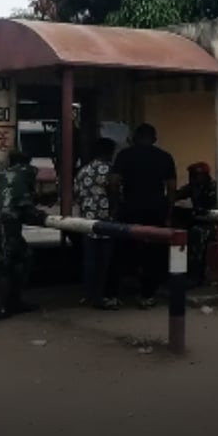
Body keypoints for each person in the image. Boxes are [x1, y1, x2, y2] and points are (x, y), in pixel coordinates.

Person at [0, 149, 50, 322]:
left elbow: (11, 198)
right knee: (1, 262)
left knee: (22, 256)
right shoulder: (25, 172)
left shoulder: (1, 175)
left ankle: (13, 301)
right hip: (6, 224)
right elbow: (25, 204)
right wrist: (39, 213)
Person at [110, 123, 177, 309]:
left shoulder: (124, 155)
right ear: (154, 138)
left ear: (134, 137)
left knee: (121, 251)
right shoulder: (165, 157)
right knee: (153, 254)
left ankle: (112, 295)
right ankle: (147, 296)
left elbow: (114, 183)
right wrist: (168, 213)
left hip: (130, 208)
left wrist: (116, 205)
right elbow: (171, 188)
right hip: (156, 210)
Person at [75, 137, 120, 310]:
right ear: (108, 152)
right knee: (104, 261)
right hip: (105, 219)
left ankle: (89, 294)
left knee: (90, 259)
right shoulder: (109, 169)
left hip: (87, 219)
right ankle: (100, 296)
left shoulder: (83, 170)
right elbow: (114, 190)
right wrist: (114, 209)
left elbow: (77, 194)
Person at [175, 161, 218, 286]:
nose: (192, 178)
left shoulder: (213, 188)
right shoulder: (193, 187)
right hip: (198, 220)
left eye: (195, 175)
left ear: (204, 175)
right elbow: (177, 195)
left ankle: (196, 276)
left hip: (213, 223)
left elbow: (210, 210)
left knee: (196, 235)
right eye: (191, 175)